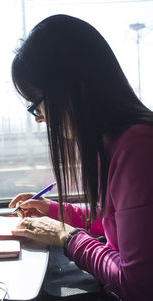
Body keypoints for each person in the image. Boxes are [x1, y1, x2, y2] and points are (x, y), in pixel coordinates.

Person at [9, 14, 153, 301]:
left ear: (76, 89)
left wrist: (66, 237)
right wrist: (54, 211)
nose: (40, 119)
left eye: (37, 105)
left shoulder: (139, 148)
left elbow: (138, 285)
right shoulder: (113, 142)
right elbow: (116, 224)